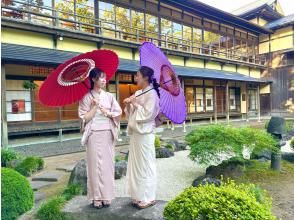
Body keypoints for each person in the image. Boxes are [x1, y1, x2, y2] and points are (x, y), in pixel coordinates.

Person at [78, 68, 122, 209]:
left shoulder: (109, 96)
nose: (104, 80)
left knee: (108, 166)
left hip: (107, 133)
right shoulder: (86, 97)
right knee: (94, 167)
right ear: (93, 79)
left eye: (104, 77)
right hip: (93, 134)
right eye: (100, 78)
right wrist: (94, 107)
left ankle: (106, 196)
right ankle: (96, 198)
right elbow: (84, 118)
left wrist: (107, 112)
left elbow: (118, 112)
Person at [123, 66, 160, 209]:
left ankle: (148, 197)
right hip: (136, 133)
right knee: (135, 164)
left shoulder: (153, 94)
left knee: (146, 164)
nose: (135, 78)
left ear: (145, 77)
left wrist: (135, 104)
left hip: (145, 133)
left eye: (137, 75)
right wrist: (129, 105)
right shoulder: (139, 92)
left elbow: (148, 114)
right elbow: (132, 113)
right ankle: (137, 195)